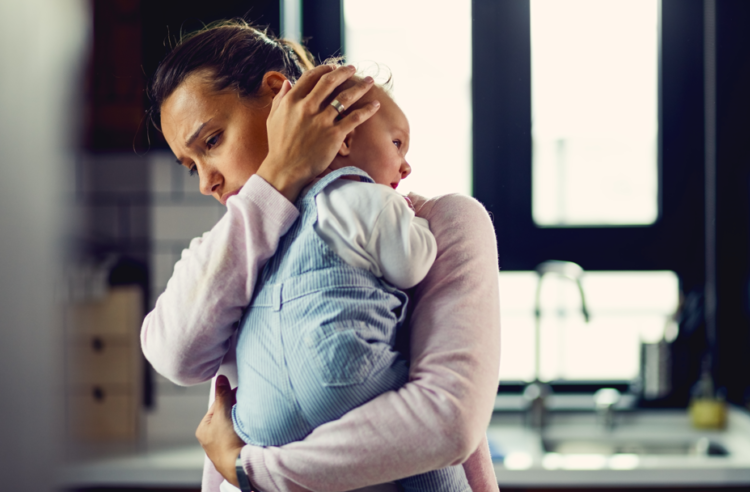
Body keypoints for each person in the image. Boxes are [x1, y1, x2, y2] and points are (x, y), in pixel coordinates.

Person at [141, 20, 501, 492]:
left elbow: (446, 423)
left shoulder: (437, 224)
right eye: (193, 168)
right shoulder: (228, 248)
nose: (207, 181)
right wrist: (275, 183)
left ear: (276, 94)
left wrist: (252, 471)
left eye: (211, 142)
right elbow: (177, 356)